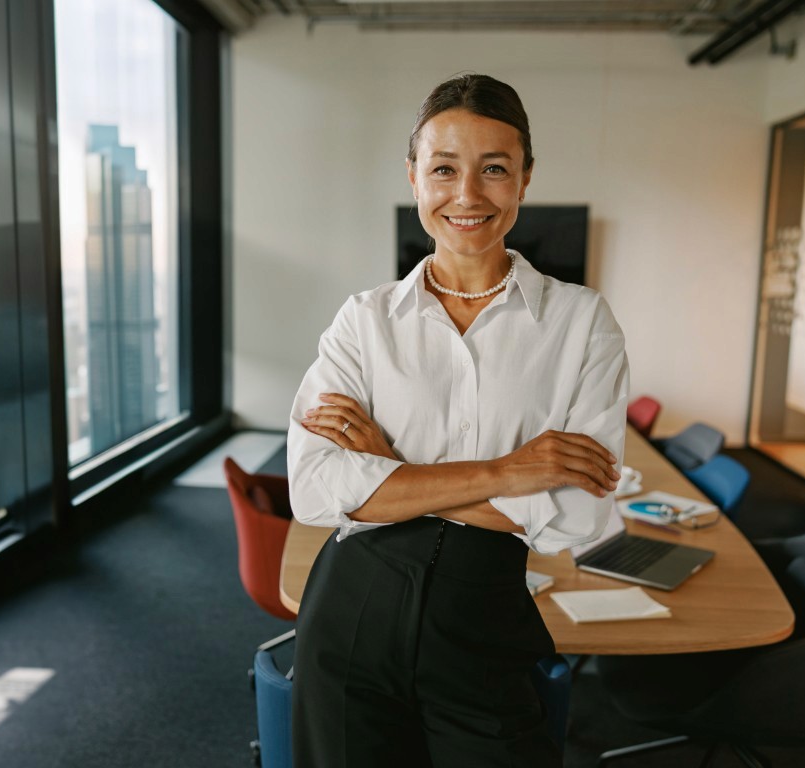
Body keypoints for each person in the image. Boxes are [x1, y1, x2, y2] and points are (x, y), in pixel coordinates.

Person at [287, 73, 630, 767]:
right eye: (444, 168)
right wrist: (510, 473)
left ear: (525, 180)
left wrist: (391, 472)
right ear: (414, 176)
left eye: (494, 170)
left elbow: (579, 518)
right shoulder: (365, 321)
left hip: (487, 618)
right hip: (352, 609)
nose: (467, 195)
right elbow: (318, 490)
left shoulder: (580, 322)